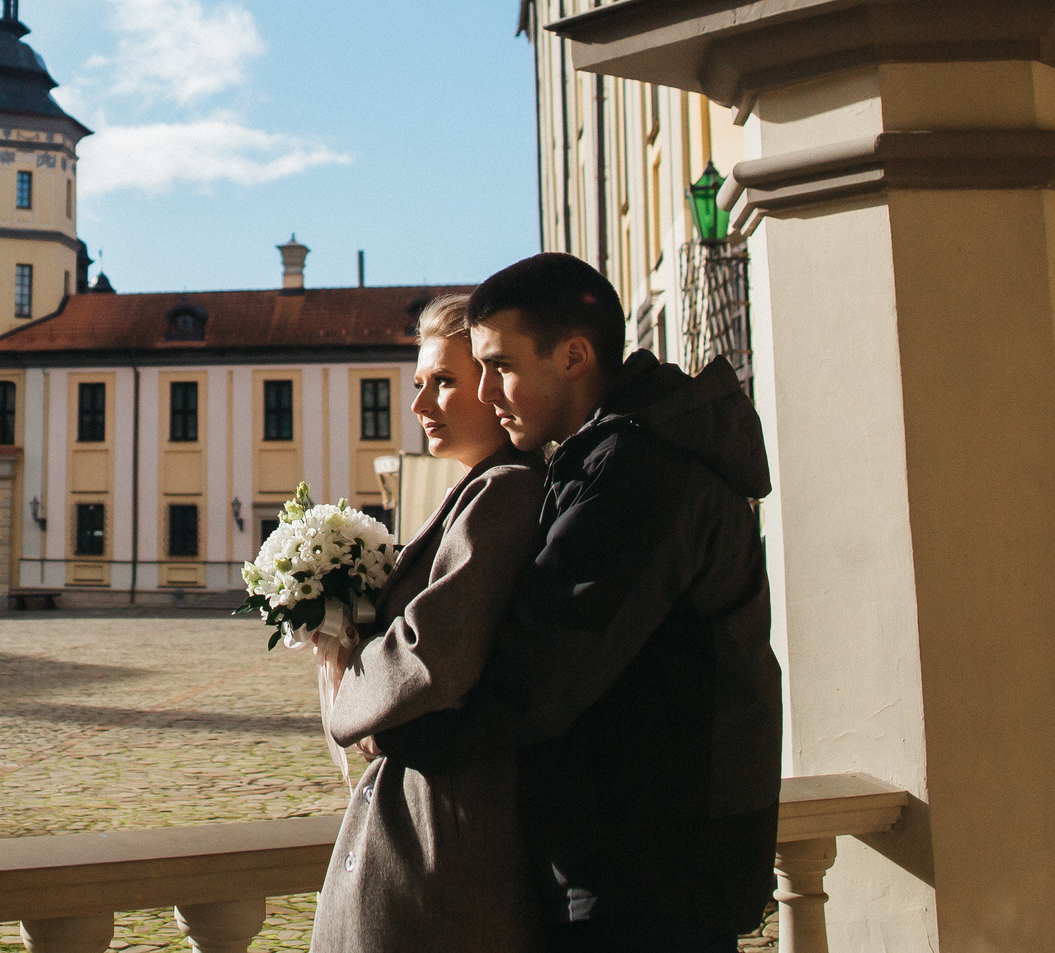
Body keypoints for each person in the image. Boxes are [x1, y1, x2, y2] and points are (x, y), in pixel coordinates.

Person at [373, 253, 782, 953]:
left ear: (573, 356)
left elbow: (543, 673)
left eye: (498, 365)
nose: (488, 391)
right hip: (646, 858)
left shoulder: (639, 469)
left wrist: (397, 731)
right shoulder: (619, 451)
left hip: (646, 872)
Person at [311, 292, 547, 953]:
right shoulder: (479, 488)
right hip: (428, 814)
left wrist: (350, 698)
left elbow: (431, 655)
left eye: (444, 383)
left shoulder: (506, 490)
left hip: (446, 827)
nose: (419, 406)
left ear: (494, 383)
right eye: (419, 384)